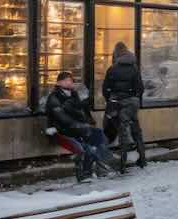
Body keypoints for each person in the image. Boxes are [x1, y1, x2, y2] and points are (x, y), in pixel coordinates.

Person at [45, 71, 112, 182]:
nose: (69, 83)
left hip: (77, 129)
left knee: (99, 134)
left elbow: (81, 113)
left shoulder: (74, 95)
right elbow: (62, 119)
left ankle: (101, 165)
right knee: (86, 149)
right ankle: (86, 174)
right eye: (66, 81)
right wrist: (81, 126)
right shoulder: (54, 97)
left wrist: (87, 121)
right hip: (61, 131)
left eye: (70, 81)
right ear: (58, 83)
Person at [103, 41, 147, 173]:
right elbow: (140, 88)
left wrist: (111, 99)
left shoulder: (112, 69)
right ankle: (143, 159)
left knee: (122, 133)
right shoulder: (134, 69)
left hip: (117, 102)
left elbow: (105, 89)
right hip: (132, 103)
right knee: (136, 130)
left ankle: (122, 165)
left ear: (116, 54)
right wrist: (134, 99)